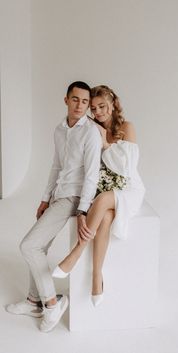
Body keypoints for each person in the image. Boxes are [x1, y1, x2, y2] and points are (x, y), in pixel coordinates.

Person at [6, 81, 103, 332]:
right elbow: (56, 166)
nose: (80, 105)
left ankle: (52, 303)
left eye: (84, 101)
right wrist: (45, 198)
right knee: (39, 246)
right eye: (75, 99)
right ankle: (33, 301)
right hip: (59, 195)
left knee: (29, 246)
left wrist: (82, 210)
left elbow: (92, 175)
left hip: (74, 198)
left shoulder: (90, 132)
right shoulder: (60, 130)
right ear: (66, 100)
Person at [52, 85, 145, 307]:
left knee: (103, 201)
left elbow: (126, 167)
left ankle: (76, 253)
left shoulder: (126, 127)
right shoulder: (92, 129)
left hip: (129, 189)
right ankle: (97, 276)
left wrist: (105, 142)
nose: (98, 112)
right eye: (93, 108)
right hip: (107, 189)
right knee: (103, 217)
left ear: (113, 104)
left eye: (102, 106)